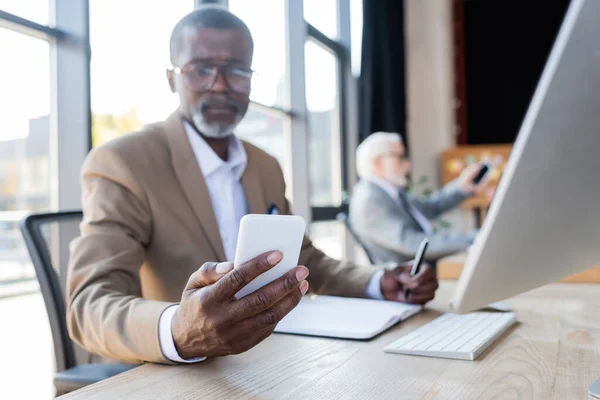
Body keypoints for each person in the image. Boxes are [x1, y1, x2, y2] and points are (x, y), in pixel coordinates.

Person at [66, 7, 439, 365]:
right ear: (171, 79)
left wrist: (378, 282)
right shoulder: (124, 162)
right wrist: (179, 328)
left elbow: (304, 260)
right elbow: (89, 304)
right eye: (200, 70)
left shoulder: (265, 166)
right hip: (180, 371)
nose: (221, 86)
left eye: (238, 71)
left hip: (276, 354)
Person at [349, 132, 488, 264]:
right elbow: (412, 244)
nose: (407, 165)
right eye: (400, 157)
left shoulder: (387, 192)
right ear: (377, 163)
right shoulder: (369, 200)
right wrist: (476, 237)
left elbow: (429, 207)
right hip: (409, 276)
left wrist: (462, 187)